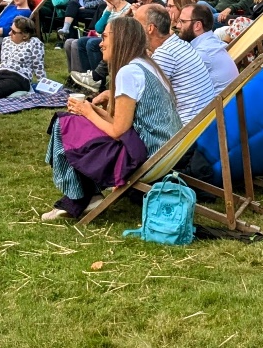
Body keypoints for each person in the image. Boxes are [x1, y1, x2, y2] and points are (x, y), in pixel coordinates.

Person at [42, 15, 182, 221]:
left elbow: (118, 131)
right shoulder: (147, 65)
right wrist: (91, 109)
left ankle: (80, 196)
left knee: (64, 124)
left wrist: (86, 112)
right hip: (164, 148)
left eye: (105, 37)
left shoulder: (128, 72)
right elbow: (123, 124)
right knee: (76, 122)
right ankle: (86, 194)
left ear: (121, 39)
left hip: (145, 154)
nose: (101, 43)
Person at [138, 3, 218, 124]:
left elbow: (144, 100)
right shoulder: (178, 44)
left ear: (150, 28)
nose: (131, 29)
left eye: (135, 24)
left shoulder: (165, 53)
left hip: (188, 132)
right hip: (205, 123)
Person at [66, 0, 132, 93]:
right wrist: (108, 10)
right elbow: (98, 28)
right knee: (82, 41)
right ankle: (87, 77)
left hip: (118, 42)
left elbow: (117, 30)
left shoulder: (128, 8)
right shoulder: (109, 7)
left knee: (92, 43)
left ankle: (98, 81)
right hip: (105, 38)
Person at [176, 2, 238, 91]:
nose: (178, 26)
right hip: (225, 101)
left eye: (182, 22)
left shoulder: (202, 53)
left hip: (218, 104)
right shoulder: (210, 41)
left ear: (197, 25)